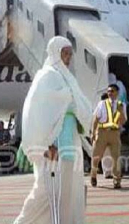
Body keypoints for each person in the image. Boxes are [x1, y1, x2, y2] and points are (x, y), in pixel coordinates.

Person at [14, 36, 92, 224]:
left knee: (66, 197)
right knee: (43, 195)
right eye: (64, 53)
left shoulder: (68, 78)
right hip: (53, 150)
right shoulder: (47, 76)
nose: (68, 57)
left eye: (70, 54)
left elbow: (81, 107)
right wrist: (44, 147)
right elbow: (35, 116)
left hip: (69, 149)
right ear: (55, 53)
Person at [90, 84, 126, 189]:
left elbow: (123, 121)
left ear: (117, 93)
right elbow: (96, 119)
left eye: (112, 91)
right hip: (102, 132)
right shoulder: (102, 104)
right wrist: (93, 133)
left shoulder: (121, 105)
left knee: (116, 158)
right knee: (96, 156)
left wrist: (121, 112)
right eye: (109, 91)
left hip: (114, 133)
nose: (110, 93)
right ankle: (93, 175)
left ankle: (117, 180)